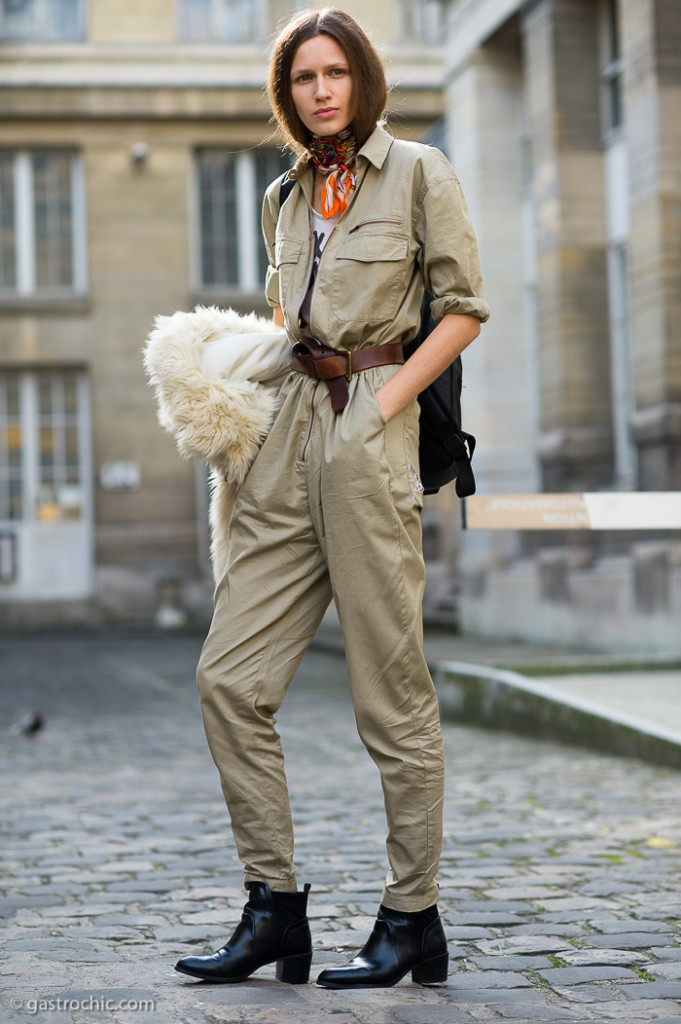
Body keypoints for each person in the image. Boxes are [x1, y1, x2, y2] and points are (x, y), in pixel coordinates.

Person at [174, 7, 489, 990]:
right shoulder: (283, 192)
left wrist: (387, 402)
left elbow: (466, 305)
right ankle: (275, 910)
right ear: (288, 93)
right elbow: (285, 316)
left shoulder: (421, 173)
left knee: (389, 696)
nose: (318, 89)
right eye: (302, 76)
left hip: (369, 426)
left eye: (333, 72)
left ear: (362, 80)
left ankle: (412, 916)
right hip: (286, 431)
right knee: (230, 678)